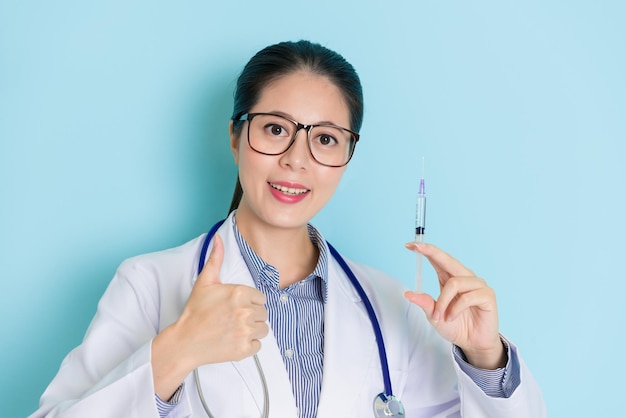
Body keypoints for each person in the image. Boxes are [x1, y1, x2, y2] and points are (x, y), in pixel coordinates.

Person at [31, 40, 546, 418]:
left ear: (346, 156)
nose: (296, 160)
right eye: (275, 129)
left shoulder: (395, 307)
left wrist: (485, 358)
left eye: (325, 139)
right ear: (235, 136)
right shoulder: (149, 284)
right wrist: (176, 351)